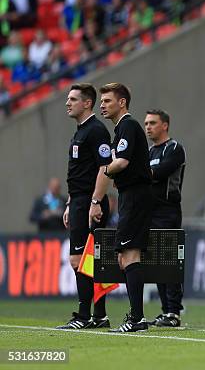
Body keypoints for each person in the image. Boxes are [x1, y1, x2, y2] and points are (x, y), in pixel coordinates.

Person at [57, 83, 112, 330]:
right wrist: (71, 202)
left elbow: (104, 168)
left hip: (90, 202)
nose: (67, 103)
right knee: (90, 261)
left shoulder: (96, 131)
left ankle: (83, 315)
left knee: (79, 259)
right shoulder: (80, 132)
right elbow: (78, 173)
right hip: (79, 201)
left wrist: (95, 202)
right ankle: (98, 316)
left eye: (73, 99)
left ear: (87, 103)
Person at [100, 82, 153, 332]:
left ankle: (137, 318)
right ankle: (136, 315)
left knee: (130, 254)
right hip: (129, 195)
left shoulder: (129, 125)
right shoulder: (121, 129)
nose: (103, 105)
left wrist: (106, 170)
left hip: (135, 195)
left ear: (122, 102)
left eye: (107, 101)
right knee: (124, 257)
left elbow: (121, 162)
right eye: (102, 101)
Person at [144, 110, 186, 328]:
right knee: (157, 263)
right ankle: (165, 311)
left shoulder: (174, 149)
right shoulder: (149, 151)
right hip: (149, 212)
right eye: (146, 123)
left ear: (165, 125)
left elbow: (159, 173)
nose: (148, 127)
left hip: (168, 211)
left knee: (169, 263)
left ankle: (174, 311)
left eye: (152, 123)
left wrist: (141, 174)